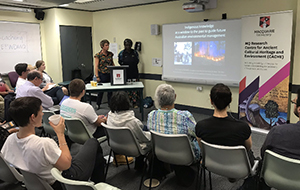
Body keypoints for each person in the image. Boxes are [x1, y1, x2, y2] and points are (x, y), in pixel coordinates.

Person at [1, 97, 106, 190]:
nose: (42, 114)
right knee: (93, 142)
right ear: (33, 117)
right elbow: (66, 165)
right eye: (41, 111)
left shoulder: (10, 139)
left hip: (37, 181)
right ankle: (97, 183)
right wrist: (60, 134)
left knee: (89, 154)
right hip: (62, 181)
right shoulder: (43, 144)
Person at [147, 84, 201, 186]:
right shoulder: (185, 116)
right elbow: (198, 133)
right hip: (185, 157)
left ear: (157, 99)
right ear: (175, 97)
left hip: (161, 154)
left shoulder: (151, 116)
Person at [195, 83, 255, 167]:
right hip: (237, 164)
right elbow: (247, 148)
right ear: (230, 100)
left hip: (211, 162)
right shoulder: (243, 127)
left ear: (211, 101)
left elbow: (202, 147)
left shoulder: (200, 126)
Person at [107, 91, 150, 166]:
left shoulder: (109, 116)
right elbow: (143, 138)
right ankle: (140, 165)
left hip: (115, 146)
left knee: (143, 127)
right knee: (147, 131)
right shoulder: (132, 121)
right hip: (133, 148)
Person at [118, 38, 140, 107]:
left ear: (131, 45)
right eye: (126, 45)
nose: (127, 46)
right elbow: (120, 62)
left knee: (135, 90)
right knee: (127, 90)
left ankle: (135, 103)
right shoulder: (121, 53)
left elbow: (137, 61)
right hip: (125, 74)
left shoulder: (135, 52)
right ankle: (127, 103)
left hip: (134, 73)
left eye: (129, 45)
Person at [94, 39, 114, 109]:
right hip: (102, 74)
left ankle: (110, 104)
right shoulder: (98, 55)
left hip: (109, 74)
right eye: (106, 45)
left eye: (108, 45)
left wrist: (115, 71)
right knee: (101, 90)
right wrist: (97, 76)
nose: (108, 47)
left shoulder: (110, 54)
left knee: (110, 91)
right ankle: (98, 103)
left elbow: (112, 63)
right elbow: (96, 66)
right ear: (102, 46)